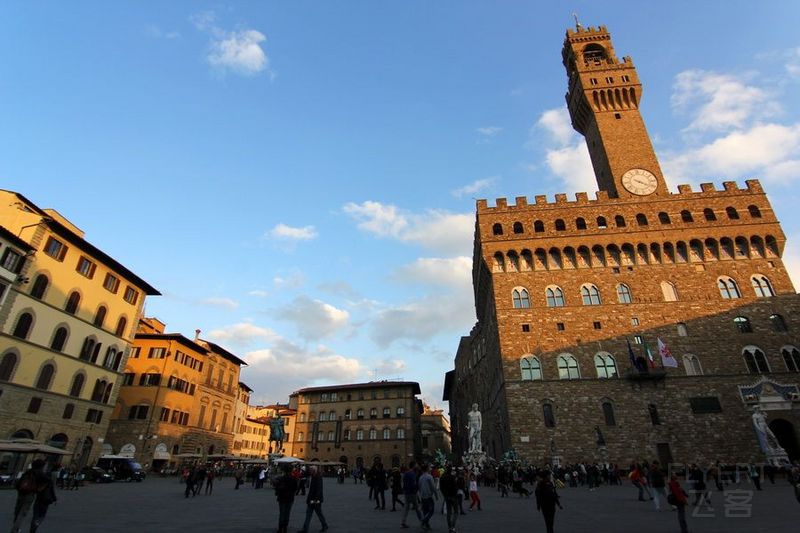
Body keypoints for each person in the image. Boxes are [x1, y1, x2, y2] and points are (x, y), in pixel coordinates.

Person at [11, 459, 50, 533]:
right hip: (30, 494)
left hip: (21, 493)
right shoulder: (40, 473)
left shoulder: (28, 471)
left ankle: (15, 526)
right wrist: (39, 489)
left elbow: (18, 483)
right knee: (23, 512)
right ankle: (15, 528)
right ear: (41, 466)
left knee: (17, 510)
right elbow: (48, 481)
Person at [300, 466, 329, 533]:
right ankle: (305, 529)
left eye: (311, 470)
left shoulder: (318, 477)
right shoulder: (313, 476)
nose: (310, 472)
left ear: (314, 470)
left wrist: (315, 501)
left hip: (316, 500)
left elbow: (319, 490)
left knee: (318, 513)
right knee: (309, 514)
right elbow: (305, 474)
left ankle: (324, 525)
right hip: (312, 500)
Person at [274, 465, 298, 533]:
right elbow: (295, 488)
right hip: (290, 498)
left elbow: (277, 487)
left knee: (282, 513)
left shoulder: (281, 478)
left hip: (282, 498)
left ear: (284, 471)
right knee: (287, 513)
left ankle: (280, 528)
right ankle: (285, 529)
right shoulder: (293, 479)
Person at [400, 461, 422, 528]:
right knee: (417, 508)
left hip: (406, 492)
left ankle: (403, 522)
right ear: (413, 466)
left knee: (406, 508)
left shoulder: (406, 473)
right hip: (412, 493)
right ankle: (423, 521)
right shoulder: (412, 474)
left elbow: (403, 482)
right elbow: (413, 484)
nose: (417, 466)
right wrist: (416, 489)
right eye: (416, 464)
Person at [439, 467, 459, 533]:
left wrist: (444, 494)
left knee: (449, 512)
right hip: (453, 496)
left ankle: (450, 527)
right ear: (451, 471)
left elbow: (441, 487)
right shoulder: (453, 477)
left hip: (446, 496)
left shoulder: (442, 477)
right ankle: (453, 526)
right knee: (456, 512)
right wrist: (455, 494)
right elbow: (456, 486)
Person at [418, 464, 437, 531]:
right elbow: (433, 487)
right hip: (428, 496)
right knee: (431, 510)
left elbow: (419, 487)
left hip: (423, 496)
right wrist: (436, 495)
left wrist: (421, 494)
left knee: (425, 511)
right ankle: (424, 521)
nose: (430, 469)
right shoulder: (429, 477)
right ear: (426, 469)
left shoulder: (420, 477)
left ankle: (427, 525)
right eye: (429, 468)